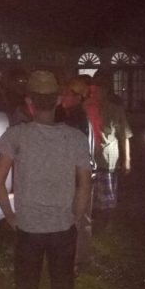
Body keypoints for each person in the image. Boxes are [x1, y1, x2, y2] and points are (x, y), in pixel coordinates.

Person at [0, 70, 92, 289]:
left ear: (29, 102)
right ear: (58, 100)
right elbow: (84, 184)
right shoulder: (76, 138)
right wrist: (75, 217)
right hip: (63, 229)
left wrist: (10, 216)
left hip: (28, 230)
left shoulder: (16, 136)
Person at [56, 76, 97, 272]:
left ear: (78, 97)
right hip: (83, 175)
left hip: (77, 177)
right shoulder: (76, 116)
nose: (64, 96)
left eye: (68, 93)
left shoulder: (74, 119)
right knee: (82, 218)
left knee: (76, 218)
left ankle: (75, 260)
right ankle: (81, 257)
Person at [85, 69, 132, 232]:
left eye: (97, 91)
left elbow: (124, 135)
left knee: (108, 194)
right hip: (89, 157)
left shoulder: (115, 109)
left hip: (107, 158)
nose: (93, 94)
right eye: (91, 91)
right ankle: (93, 221)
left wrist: (127, 160)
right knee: (91, 191)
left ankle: (109, 223)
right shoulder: (85, 107)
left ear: (105, 91)